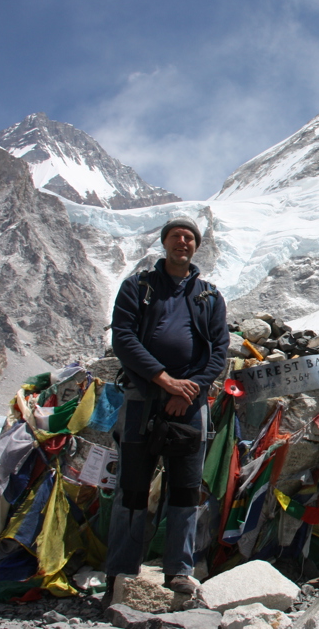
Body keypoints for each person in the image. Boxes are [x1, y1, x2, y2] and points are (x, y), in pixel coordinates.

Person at [105, 216, 229, 600]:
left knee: (186, 488)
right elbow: (123, 338)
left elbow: (220, 350)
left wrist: (187, 390)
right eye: (176, 236)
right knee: (132, 486)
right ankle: (122, 569)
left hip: (190, 402)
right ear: (164, 243)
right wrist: (164, 380)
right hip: (144, 396)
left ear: (196, 247)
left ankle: (178, 570)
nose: (183, 242)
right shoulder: (138, 287)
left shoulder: (210, 296)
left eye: (189, 237)